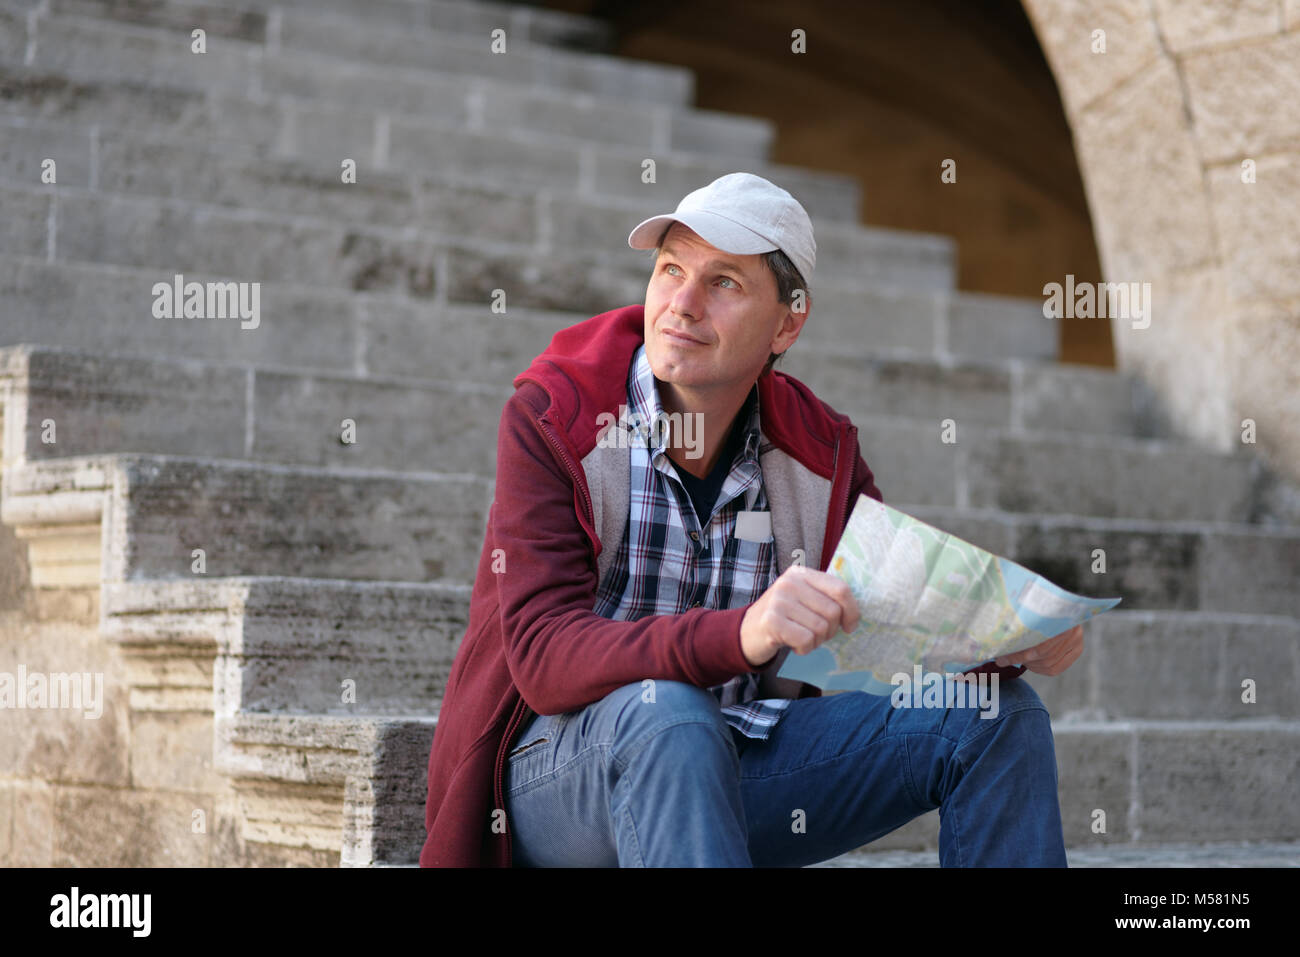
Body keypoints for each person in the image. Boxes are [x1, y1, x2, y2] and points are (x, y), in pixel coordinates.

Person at [418, 171, 1084, 867]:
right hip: (562, 775)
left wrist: (1006, 638)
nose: (681, 303)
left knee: (996, 714)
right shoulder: (557, 417)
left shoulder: (818, 452)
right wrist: (742, 633)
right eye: (671, 269)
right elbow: (545, 657)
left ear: (787, 322)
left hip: (743, 759)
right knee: (669, 716)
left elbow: (875, 625)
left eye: (724, 283)